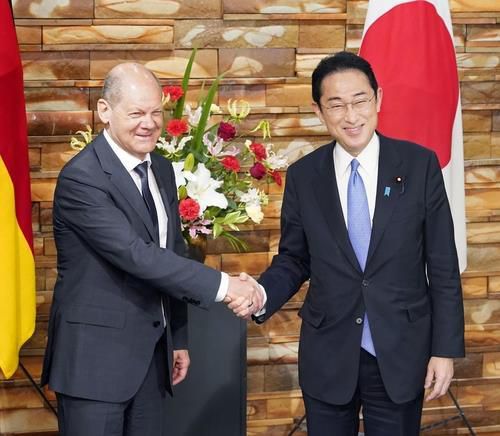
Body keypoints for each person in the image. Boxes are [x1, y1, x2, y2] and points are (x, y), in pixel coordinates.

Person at [41, 63, 263, 436]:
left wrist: (178, 338)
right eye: (136, 114)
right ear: (105, 111)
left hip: (150, 358)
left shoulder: (160, 168)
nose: (149, 123)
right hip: (94, 366)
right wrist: (227, 287)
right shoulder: (82, 178)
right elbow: (137, 255)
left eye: (156, 112)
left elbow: (171, 252)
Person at [249, 51, 465, 435]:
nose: (351, 116)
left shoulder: (419, 166)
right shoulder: (304, 176)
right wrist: (261, 293)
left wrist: (444, 350)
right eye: (336, 105)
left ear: (378, 99)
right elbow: (295, 258)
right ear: (319, 111)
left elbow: (443, 265)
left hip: (400, 351)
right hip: (328, 352)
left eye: (360, 100)